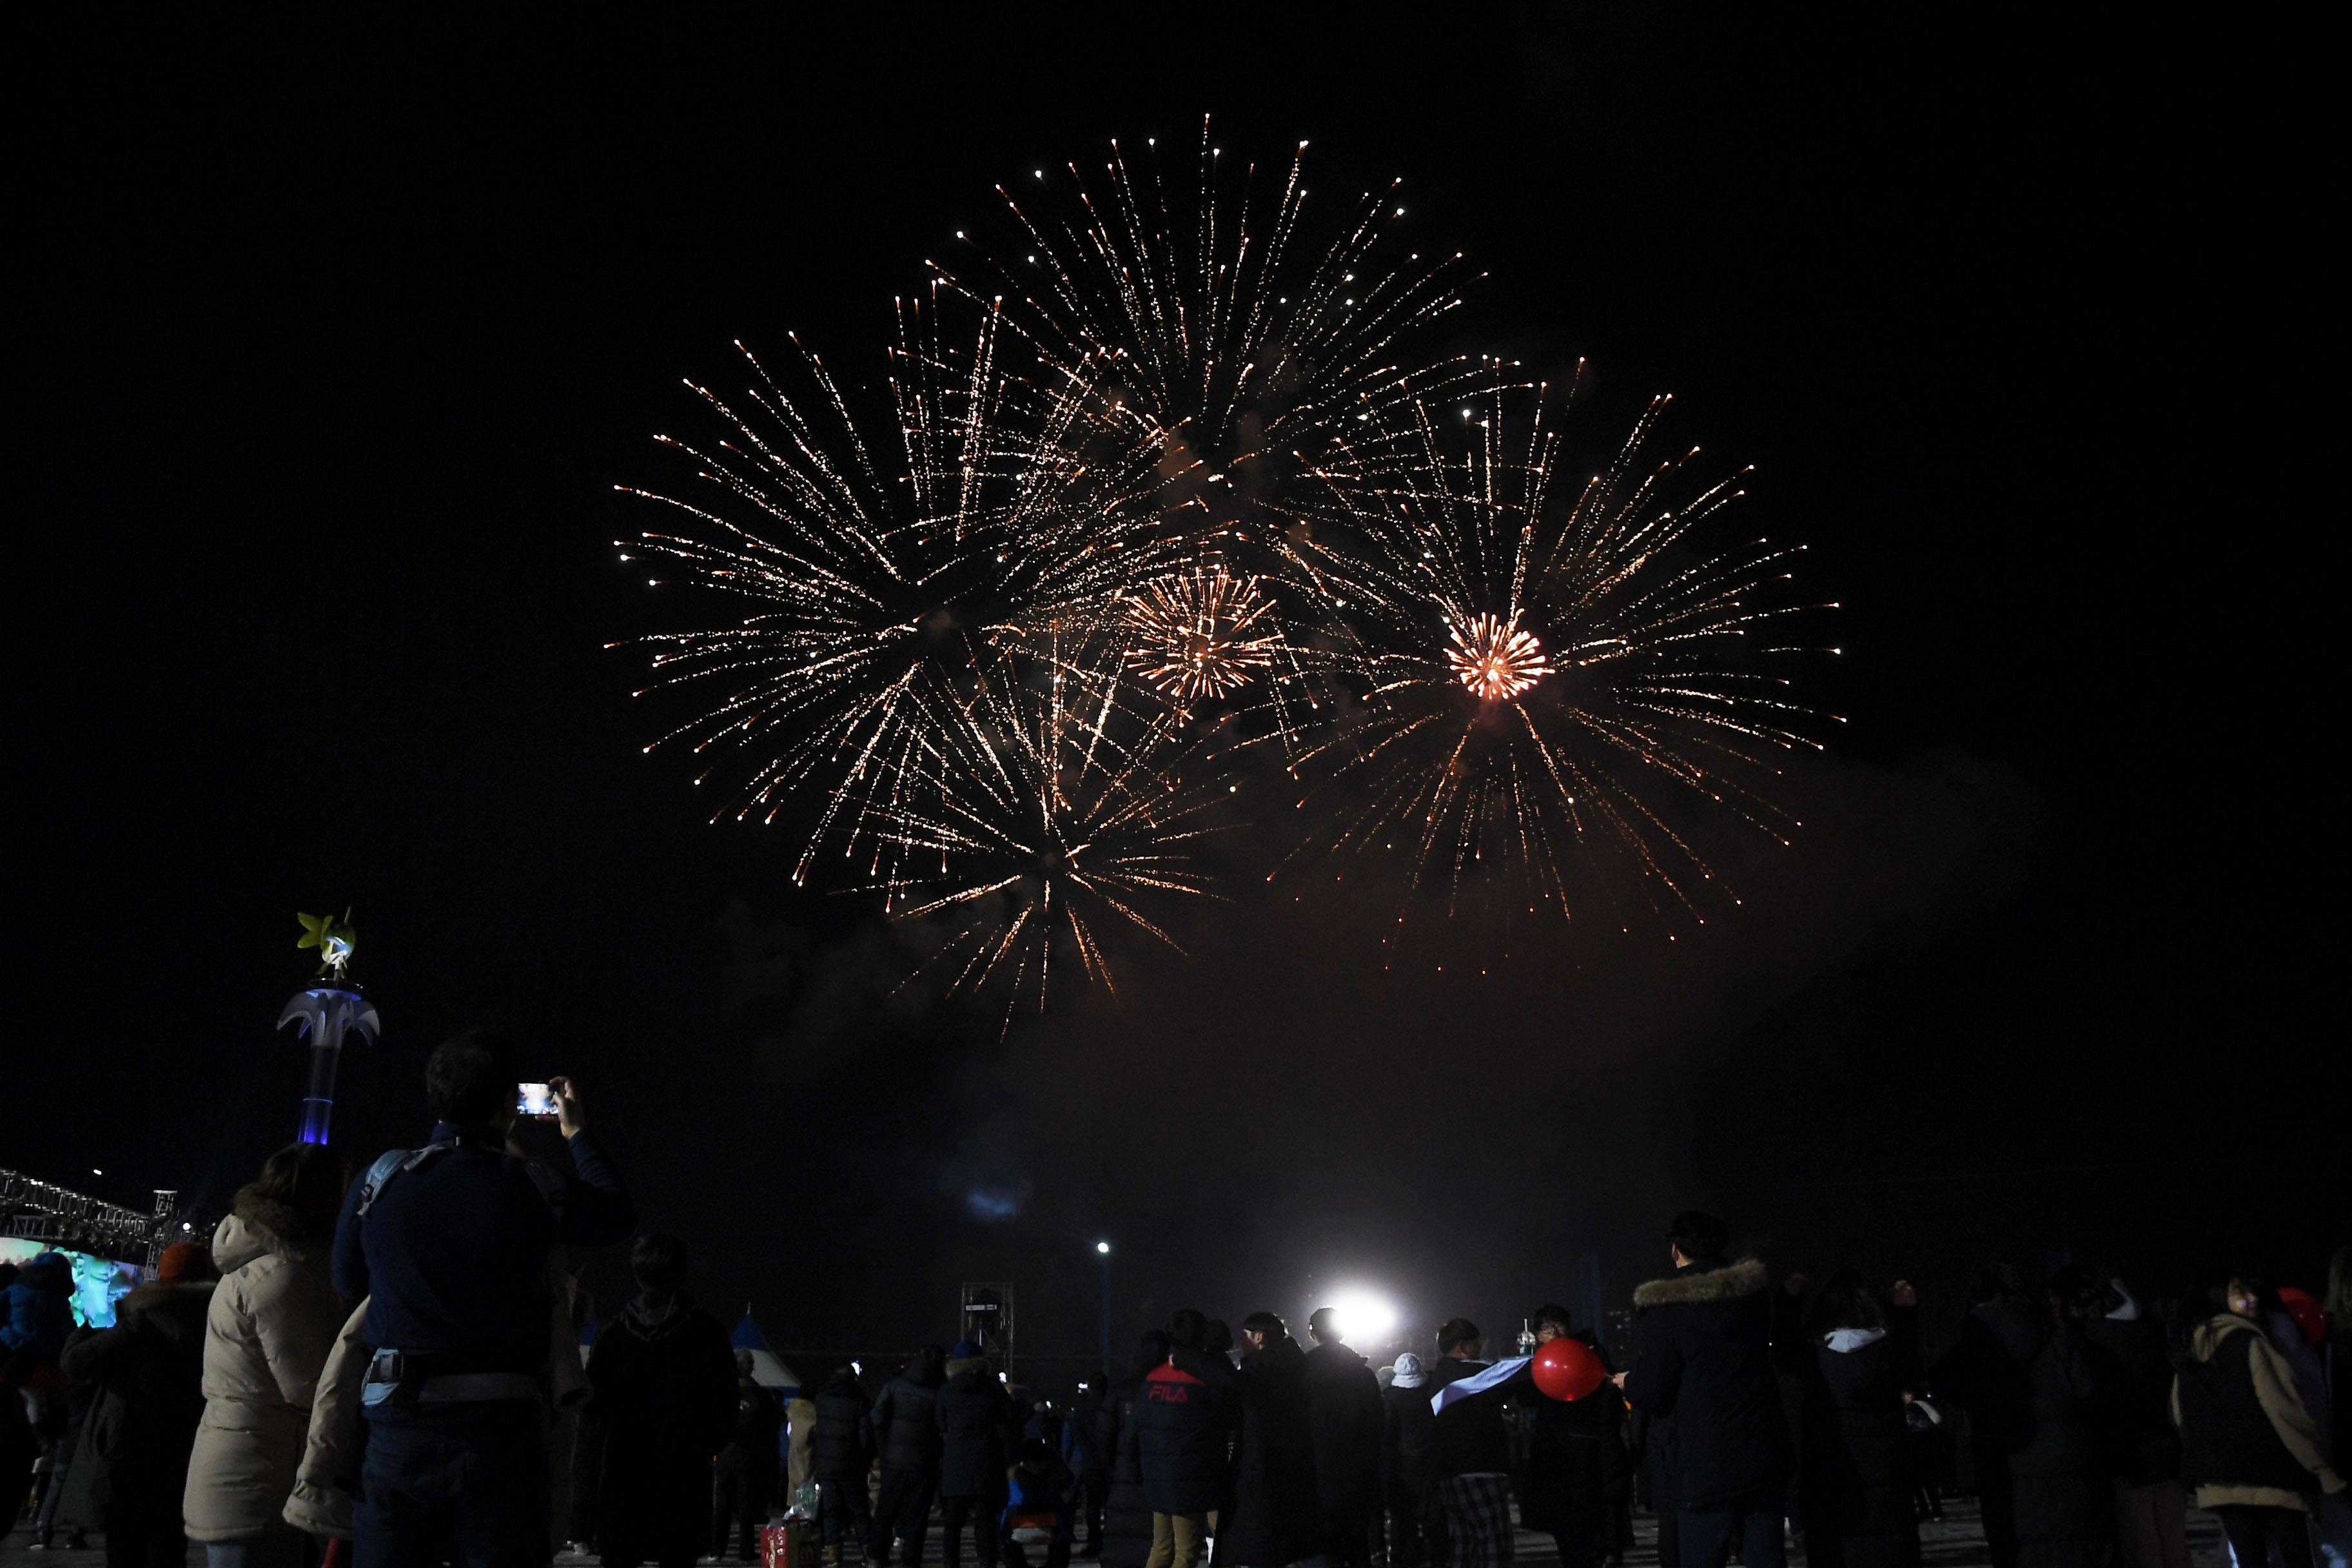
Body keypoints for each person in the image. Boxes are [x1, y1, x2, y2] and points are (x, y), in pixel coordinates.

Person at [330, 1032, 636, 1567]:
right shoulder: (537, 1186)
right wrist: (577, 1131)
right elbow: (616, 1213)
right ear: (508, 1107)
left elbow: (348, 1281)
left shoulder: (380, 1180)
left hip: (400, 1421)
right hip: (504, 1431)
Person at [182, 1143, 350, 1567]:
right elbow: (311, 1386)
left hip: (250, 1464)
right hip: (256, 1478)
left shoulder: (264, 1263)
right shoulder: (282, 1274)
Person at [1617, 1210, 1793, 1568]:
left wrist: (1628, 1382)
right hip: (1762, 1449)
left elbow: (1654, 1389)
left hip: (1702, 1462)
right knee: (1765, 1554)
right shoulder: (1753, 1298)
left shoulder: (1667, 1309)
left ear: (1676, 1250)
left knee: (1702, 1555)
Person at [1932, 1263, 2117, 1568]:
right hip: (2075, 1484)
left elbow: (1944, 1382)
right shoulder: (2063, 1343)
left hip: (2007, 1489)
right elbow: (2097, 1398)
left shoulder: (1970, 1352)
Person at [57, 1239, 220, 1568]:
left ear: (164, 1277)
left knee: (126, 1541)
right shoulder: (217, 1321)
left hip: (131, 1447)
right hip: (186, 1445)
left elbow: (76, 1363)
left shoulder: (143, 1321)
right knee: (169, 1539)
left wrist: (85, 1329)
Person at [2171, 1271, 2346, 1568]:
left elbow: (2181, 1416)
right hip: (2274, 1479)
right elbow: (2286, 1412)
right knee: (2299, 1559)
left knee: (2250, 1561)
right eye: (2239, 1293)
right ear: (2219, 1298)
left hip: (2219, 1482)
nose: (2251, 1299)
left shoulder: (2190, 1353)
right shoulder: (2252, 1343)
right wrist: (2321, 1468)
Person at [590, 1233, 740, 1568]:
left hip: (624, 1475)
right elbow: (726, 1404)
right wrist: (705, 1444)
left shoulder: (614, 1336)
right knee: (677, 1554)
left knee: (622, 1554)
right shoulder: (706, 1333)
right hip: (680, 1475)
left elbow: (593, 1408)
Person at [2058, 1268, 2186, 1568]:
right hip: (2166, 1451)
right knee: (2174, 1544)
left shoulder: (2091, 1343)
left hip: (2126, 1459)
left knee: (2144, 1548)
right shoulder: (2153, 1335)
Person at [1794, 1272, 1918, 1568]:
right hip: (1887, 1484)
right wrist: (1906, 1314)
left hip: (1832, 1484)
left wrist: (1789, 1301)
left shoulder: (1816, 1361)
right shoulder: (1890, 1353)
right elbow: (1913, 1364)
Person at [1520, 1306, 1631, 1568]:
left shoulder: (1585, 1354)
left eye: (1555, 1327)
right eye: (1544, 1331)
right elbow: (1527, 1398)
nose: (1549, 1336)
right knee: (1575, 1534)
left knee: (1584, 1534)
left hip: (1582, 1456)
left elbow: (1527, 1397)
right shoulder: (1556, 1358)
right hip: (1569, 1456)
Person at [1220, 1311, 1321, 1568]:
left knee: (1263, 1544)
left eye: (1244, 1336)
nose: (1240, 1342)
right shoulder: (1295, 1367)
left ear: (1259, 1337)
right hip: (1294, 1469)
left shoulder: (1263, 1372)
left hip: (1263, 1471)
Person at [1134, 1309, 1231, 1568]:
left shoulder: (1152, 1378)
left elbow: (1138, 1428)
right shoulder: (1201, 1376)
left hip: (1157, 1479)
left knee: (1161, 1548)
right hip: (1188, 1480)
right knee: (1186, 1554)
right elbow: (1224, 1417)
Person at [1427, 1317, 1514, 1568]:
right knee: (1493, 1546)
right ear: (1463, 1347)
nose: (1480, 1349)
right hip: (1479, 1470)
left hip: (1450, 1473)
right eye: (1476, 1344)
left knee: (1464, 1546)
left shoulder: (1440, 1376)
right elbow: (1510, 1375)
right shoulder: (1470, 1375)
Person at [1304, 1306, 1385, 1568]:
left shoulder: (1302, 1373)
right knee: (1358, 1545)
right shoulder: (1362, 1373)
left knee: (1322, 1550)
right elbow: (1377, 1426)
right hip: (1358, 1475)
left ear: (1312, 1333)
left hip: (1314, 1476)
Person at [938, 1339, 1021, 1568]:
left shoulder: (947, 1390)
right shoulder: (993, 1387)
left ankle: (950, 1561)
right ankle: (986, 1560)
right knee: (986, 1518)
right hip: (987, 1457)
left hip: (956, 1459)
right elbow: (1009, 1417)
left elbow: (940, 1422)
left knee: (954, 1519)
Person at [869, 1344, 947, 1567]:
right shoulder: (940, 1389)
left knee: (886, 1510)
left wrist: (884, 1448)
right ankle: (911, 1560)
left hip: (894, 1460)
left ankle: (877, 1555)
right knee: (917, 1516)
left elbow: (877, 1417)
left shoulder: (896, 1384)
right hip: (925, 1462)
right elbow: (943, 1426)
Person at [1101, 1331, 1169, 1568]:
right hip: (1161, 1479)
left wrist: (1113, 1471)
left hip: (1124, 1478)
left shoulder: (1120, 1391)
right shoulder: (1169, 1388)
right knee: (1157, 1543)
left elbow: (1105, 1437)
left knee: (1121, 1540)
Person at [715, 1349, 783, 1565]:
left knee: (723, 1507)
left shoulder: (723, 1394)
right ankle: (746, 1552)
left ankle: (718, 1550)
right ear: (750, 1368)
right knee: (746, 1508)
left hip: (725, 1456)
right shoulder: (761, 1396)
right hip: (749, 1458)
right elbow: (773, 1425)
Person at [813, 1361, 876, 1562]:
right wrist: (866, 1460)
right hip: (851, 1465)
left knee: (830, 1511)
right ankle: (868, 1553)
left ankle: (833, 1555)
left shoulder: (822, 1399)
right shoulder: (860, 1401)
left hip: (826, 1465)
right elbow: (865, 1438)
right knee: (859, 1511)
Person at [1382, 1352, 1438, 1568]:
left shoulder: (1391, 1398)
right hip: (1431, 1464)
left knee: (1402, 1520)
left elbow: (1388, 1437)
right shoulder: (1429, 1393)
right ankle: (1435, 1556)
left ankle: (1402, 1558)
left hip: (1402, 1468)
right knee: (1432, 1518)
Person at [1004, 1434, 1079, 1568]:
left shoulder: (1013, 1476)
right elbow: (1069, 1482)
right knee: (1064, 1524)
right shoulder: (1054, 1474)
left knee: (1005, 1533)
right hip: (1052, 1520)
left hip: (1016, 1520)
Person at [1065, 1373, 1112, 1558]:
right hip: (1110, 1462)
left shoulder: (1084, 1407)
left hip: (1091, 1463)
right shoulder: (1111, 1405)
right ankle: (1111, 1541)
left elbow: (1077, 1432)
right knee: (1110, 1505)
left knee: (1092, 1504)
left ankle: (1094, 1542)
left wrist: (1088, 1452)